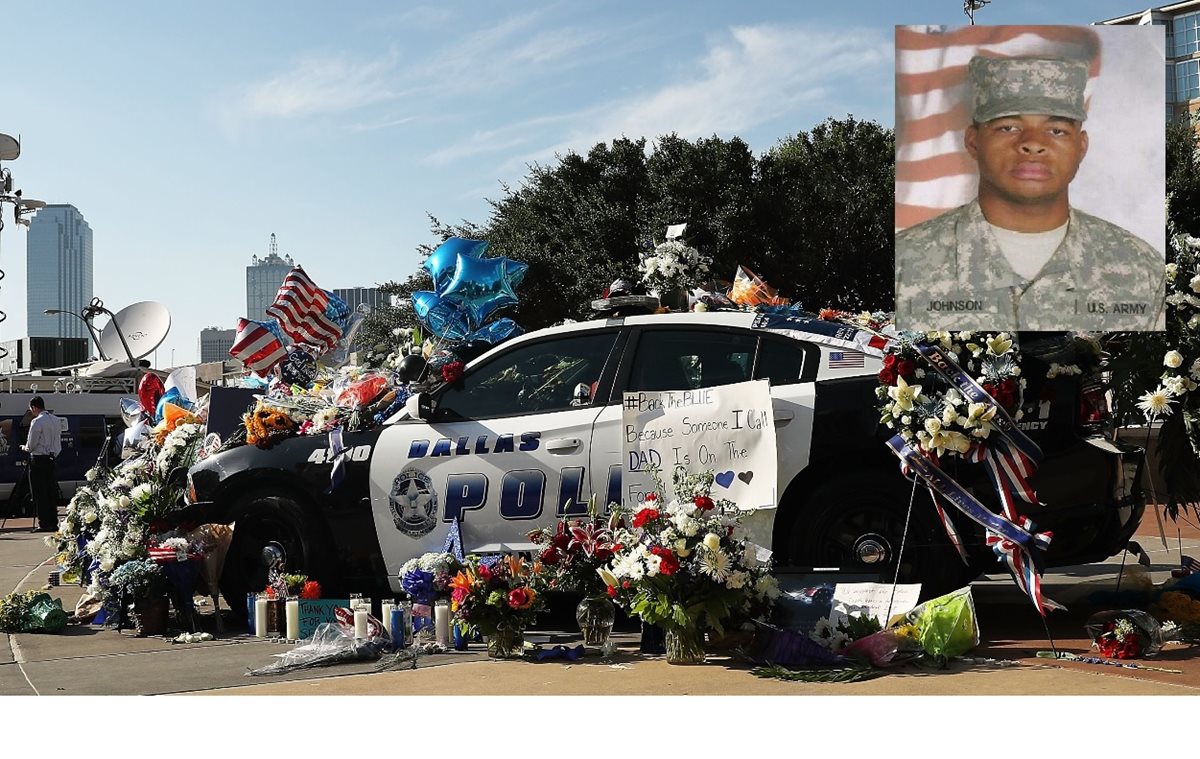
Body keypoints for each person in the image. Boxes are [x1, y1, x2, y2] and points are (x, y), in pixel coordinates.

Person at [894, 55, 1165, 331]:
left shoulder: (1142, 268)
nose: (1033, 143)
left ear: (1081, 146)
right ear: (973, 141)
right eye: (1008, 127)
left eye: (1056, 130)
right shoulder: (905, 260)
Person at [21, 396, 62, 532]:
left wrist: (24, 448)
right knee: (50, 491)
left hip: (38, 459)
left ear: (34, 407)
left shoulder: (37, 422)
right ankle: (53, 522)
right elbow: (58, 443)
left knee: (39, 493)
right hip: (51, 459)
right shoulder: (56, 420)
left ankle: (43, 523)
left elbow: (31, 444)